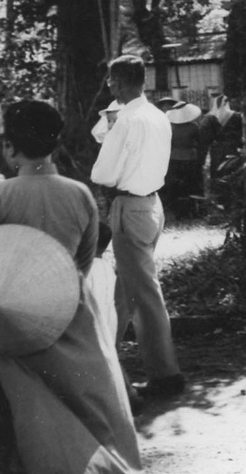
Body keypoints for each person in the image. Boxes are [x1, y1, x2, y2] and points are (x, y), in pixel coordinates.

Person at [0, 100, 141, 473]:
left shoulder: (4, 196)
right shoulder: (78, 193)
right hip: (71, 313)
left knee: (21, 416)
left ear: (10, 147)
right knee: (92, 404)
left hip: (14, 324)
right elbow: (85, 256)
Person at [91, 55, 185, 400]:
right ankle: (106, 356)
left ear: (117, 82)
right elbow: (99, 132)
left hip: (129, 206)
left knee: (144, 295)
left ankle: (166, 374)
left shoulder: (129, 121)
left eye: (112, 82)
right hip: (150, 205)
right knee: (126, 290)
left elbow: (101, 173)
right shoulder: (156, 115)